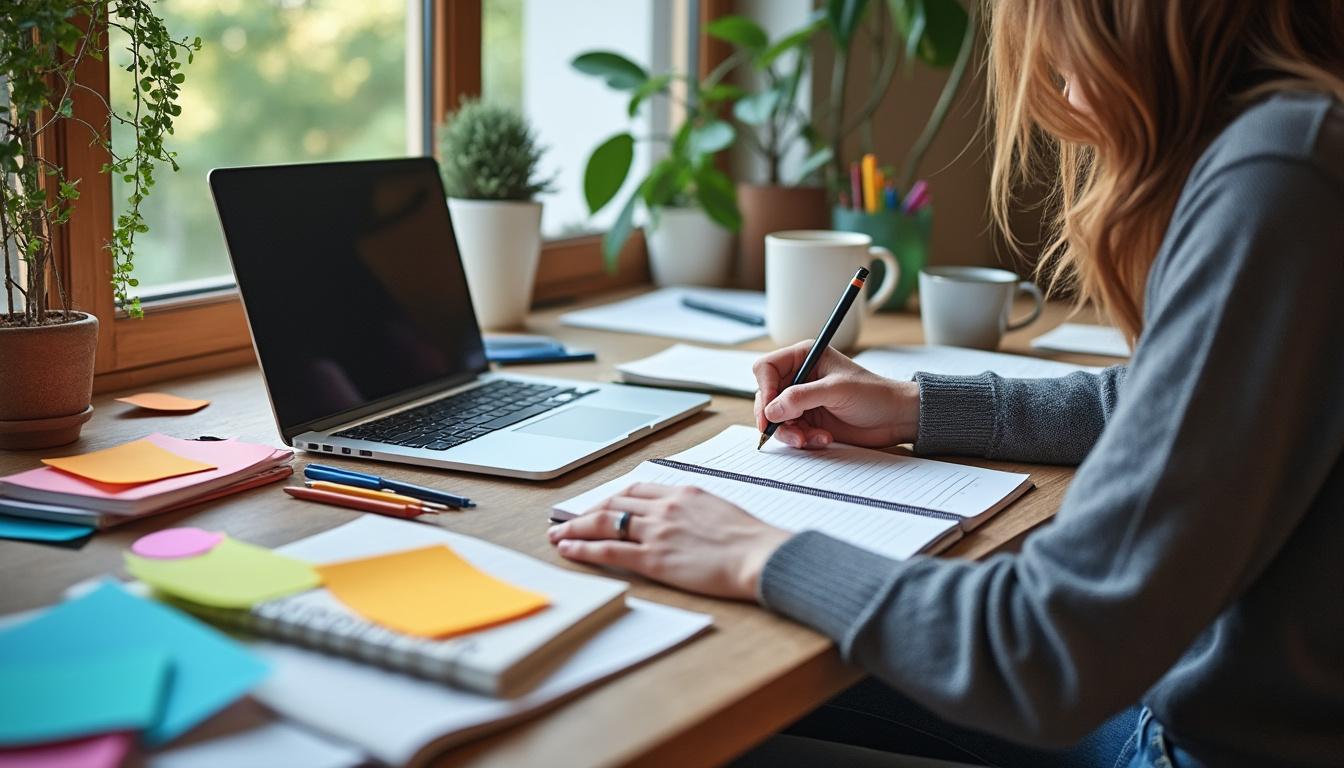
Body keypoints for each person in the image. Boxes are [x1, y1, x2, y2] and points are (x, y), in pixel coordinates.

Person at [549, 2, 1344, 766]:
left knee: (677, 692)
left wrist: (758, 551)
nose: (1061, 92)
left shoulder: (1278, 175)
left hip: (1198, 742)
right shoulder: (1306, 139)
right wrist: (913, 407)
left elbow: (1047, 650)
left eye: (1061, 48)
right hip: (1197, 697)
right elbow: (1154, 404)